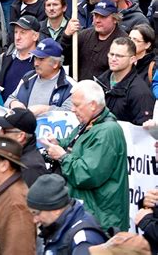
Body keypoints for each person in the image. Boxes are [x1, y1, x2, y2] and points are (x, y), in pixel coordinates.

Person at [41, 80, 129, 233]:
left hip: (101, 219)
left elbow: (87, 174)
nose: (73, 110)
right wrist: (56, 144)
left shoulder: (107, 131)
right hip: (88, 212)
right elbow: (72, 147)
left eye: (77, 105)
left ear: (93, 105)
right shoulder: (89, 124)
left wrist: (61, 156)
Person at [27, 173, 107, 253]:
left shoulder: (83, 241)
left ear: (56, 209)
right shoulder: (52, 228)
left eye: (36, 213)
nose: (34, 220)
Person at [61, 0, 127, 81]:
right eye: (95, 16)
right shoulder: (84, 35)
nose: (97, 20)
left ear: (115, 19)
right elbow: (64, 60)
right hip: (78, 88)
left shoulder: (123, 42)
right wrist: (66, 36)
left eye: (103, 17)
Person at [6, 38, 74, 115]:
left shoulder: (69, 86)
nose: (36, 63)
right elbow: (10, 99)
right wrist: (13, 103)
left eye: (41, 59)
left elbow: (71, 114)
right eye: (35, 58)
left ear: (55, 63)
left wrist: (46, 110)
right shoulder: (28, 77)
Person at [96, 36, 154, 124]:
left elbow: (142, 131)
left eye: (119, 56)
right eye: (111, 54)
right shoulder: (100, 82)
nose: (113, 59)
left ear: (132, 59)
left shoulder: (140, 93)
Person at [0, 107, 47, 187]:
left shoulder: (30, 168)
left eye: (4, 130)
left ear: (20, 136)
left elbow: (23, 198)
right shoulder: (11, 154)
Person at [0, 14, 40, 102]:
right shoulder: (5, 58)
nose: (17, 37)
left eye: (23, 33)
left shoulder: (41, 62)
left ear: (35, 36)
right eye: (16, 32)